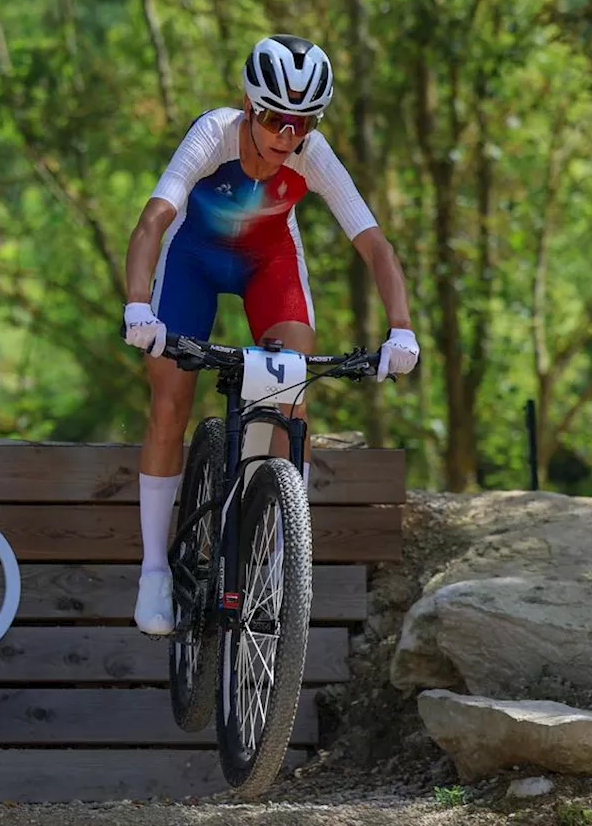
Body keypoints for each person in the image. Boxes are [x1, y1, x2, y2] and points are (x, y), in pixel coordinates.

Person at [121, 33, 420, 636]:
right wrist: (136, 309)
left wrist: (402, 329)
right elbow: (154, 219)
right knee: (170, 398)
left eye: (302, 123)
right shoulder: (213, 132)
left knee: (290, 396)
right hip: (194, 260)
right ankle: (154, 570)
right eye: (274, 119)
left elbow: (374, 245)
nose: (287, 136)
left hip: (268, 263)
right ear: (248, 105)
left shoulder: (312, 154)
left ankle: (282, 554)